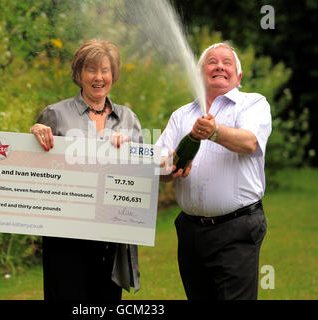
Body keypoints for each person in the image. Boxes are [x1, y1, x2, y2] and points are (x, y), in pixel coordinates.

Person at [157, 42, 272, 300]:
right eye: (211, 61)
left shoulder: (252, 104)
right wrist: (172, 165)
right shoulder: (181, 115)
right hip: (190, 232)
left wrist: (214, 131)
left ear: (238, 76)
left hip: (237, 229)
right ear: (200, 74)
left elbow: (249, 142)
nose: (219, 66)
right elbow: (160, 167)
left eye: (226, 62)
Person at [30, 39, 142, 300]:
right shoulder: (55, 114)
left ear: (113, 74)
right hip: (65, 237)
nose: (99, 77)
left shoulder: (128, 118)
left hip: (111, 237)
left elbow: (140, 175)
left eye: (105, 70)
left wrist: (128, 153)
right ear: (79, 74)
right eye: (91, 70)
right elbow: (35, 166)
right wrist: (34, 132)